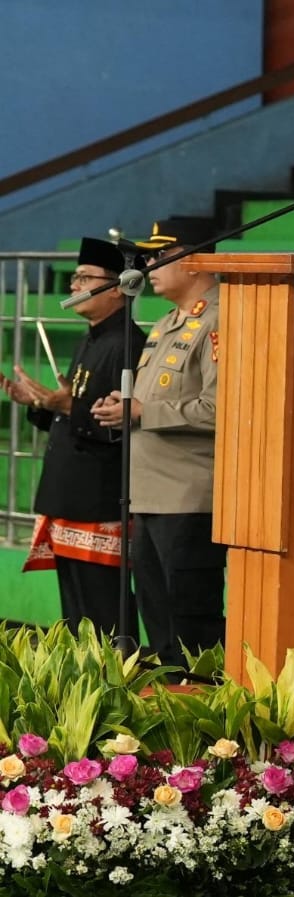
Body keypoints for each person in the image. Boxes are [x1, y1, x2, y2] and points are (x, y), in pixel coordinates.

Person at [92, 219, 226, 667]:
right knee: (159, 623)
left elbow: (222, 408)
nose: (147, 265)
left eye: (159, 255)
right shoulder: (169, 320)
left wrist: (142, 412)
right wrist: (123, 406)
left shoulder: (221, 319)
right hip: (149, 494)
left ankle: (205, 705)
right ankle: (171, 701)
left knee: (192, 623)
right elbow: (154, 399)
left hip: (189, 497)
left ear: (195, 260)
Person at [4, 238, 146, 634]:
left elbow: (121, 427)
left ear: (117, 287)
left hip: (100, 502)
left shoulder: (127, 344)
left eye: (85, 278)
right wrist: (41, 403)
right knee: (77, 619)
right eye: (75, 278)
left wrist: (67, 406)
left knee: (104, 619)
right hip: (71, 499)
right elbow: (76, 411)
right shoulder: (92, 337)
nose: (74, 285)